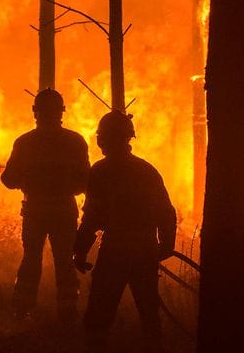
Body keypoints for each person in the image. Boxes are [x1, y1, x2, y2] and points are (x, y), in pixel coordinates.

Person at [73, 111, 177, 352]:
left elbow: (92, 217)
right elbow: (166, 211)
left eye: (102, 137)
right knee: (149, 314)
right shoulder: (147, 170)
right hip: (145, 250)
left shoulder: (100, 171)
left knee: (98, 316)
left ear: (104, 139)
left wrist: (80, 250)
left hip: (115, 250)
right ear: (129, 137)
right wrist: (165, 246)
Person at [1, 88, 90, 323]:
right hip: (64, 210)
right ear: (62, 112)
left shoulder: (24, 142)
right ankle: (67, 311)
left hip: (35, 211)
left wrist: (26, 180)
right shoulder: (75, 141)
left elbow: (8, 179)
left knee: (31, 259)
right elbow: (84, 181)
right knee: (65, 260)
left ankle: (22, 310)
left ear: (35, 111)